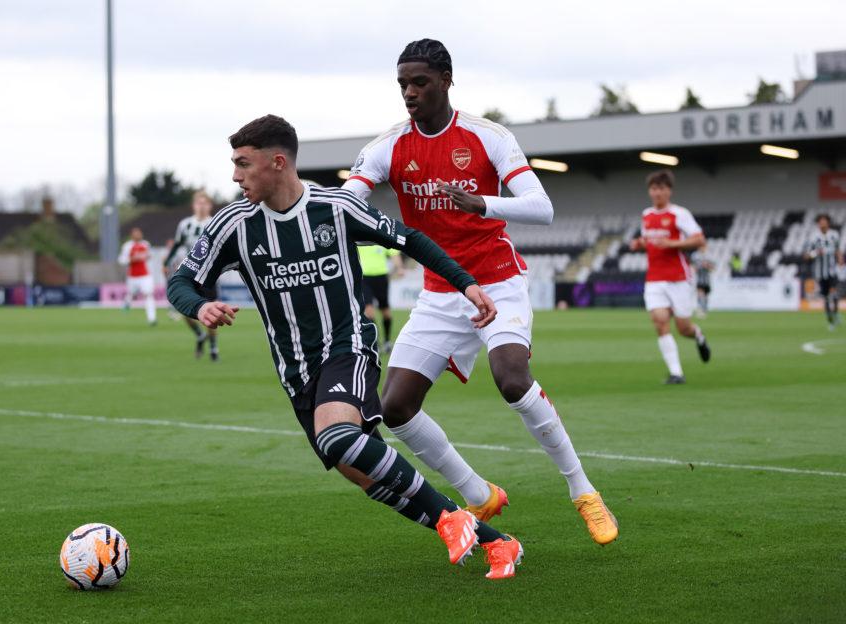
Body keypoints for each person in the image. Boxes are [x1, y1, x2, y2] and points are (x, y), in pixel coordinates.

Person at [168, 114, 523, 578]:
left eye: (242, 164)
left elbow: (409, 238)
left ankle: (450, 519)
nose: (234, 176)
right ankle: (500, 544)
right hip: (296, 372)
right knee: (363, 472)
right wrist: (199, 306)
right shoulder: (233, 224)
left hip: (347, 348)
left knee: (338, 437)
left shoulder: (336, 207)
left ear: (277, 163)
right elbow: (181, 281)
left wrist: (466, 284)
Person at [343, 39, 617, 545]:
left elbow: (542, 207)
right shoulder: (387, 146)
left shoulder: (487, 136)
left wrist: (481, 203)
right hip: (439, 292)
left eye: (419, 82)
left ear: (446, 80)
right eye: (402, 83)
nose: (409, 92)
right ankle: (478, 492)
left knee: (511, 378)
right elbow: (349, 203)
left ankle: (584, 492)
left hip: (496, 279)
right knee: (395, 407)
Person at [629, 169, 711, 383]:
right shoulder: (646, 215)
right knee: (660, 322)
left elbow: (700, 239)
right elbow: (649, 240)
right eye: (654, 188)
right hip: (654, 278)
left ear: (669, 191)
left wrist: (674, 243)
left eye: (661, 188)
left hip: (678, 278)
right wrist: (639, 243)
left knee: (684, 328)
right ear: (650, 191)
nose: (657, 192)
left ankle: (699, 336)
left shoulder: (679, 214)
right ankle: (677, 373)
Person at [164, 191, 220, 360]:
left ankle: (213, 348)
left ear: (209, 206)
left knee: (212, 311)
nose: (201, 206)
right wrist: (166, 263)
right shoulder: (185, 225)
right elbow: (177, 244)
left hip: (209, 274)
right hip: (190, 274)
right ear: (194, 205)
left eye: (205, 203)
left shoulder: (214, 222)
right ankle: (199, 335)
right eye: (198, 203)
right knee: (186, 312)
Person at [358, 244, 405, 353]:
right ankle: (375, 342)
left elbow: (394, 253)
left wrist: (400, 267)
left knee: (386, 313)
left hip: (381, 278)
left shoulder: (379, 238)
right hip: (364, 278)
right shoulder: (360, 240)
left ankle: (387, 341)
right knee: (369, 313)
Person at [802, 214, 844, 330]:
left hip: (832, 270)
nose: (823, 224)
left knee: (834, 292)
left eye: (825, 221)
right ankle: (830, 321)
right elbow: (806, 255)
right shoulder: (814, 238)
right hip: (820, 273)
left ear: (828, 223)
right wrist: (816, 253)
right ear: (818, 224)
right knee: (825, 298)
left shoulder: (834, 235)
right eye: (821, 222)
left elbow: (837, 249)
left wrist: (840, 258)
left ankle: (835, 311)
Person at [117, 227, 157, 326]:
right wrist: (131, 260)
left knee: (148, 295)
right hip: (132, 276)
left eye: (139, 233)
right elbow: (121, 260)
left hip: (145, 275)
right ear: (132, 235)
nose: (139, 235)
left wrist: (148, 257)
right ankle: (127, 304)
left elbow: (149, 255)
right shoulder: (128, 246)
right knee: (132, 295)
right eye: (136, 233)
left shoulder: (146, 244)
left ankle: (152, 319)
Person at [691, 244, 714, 318]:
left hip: (707, 280)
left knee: (705, 296)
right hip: (698, 279)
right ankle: (700, 309)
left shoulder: (709, 256)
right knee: (700, 294)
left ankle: (704, 309)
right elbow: (693, 267)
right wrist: (697, 267)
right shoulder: (695, 255)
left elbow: (712, 268)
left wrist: (706, 265)